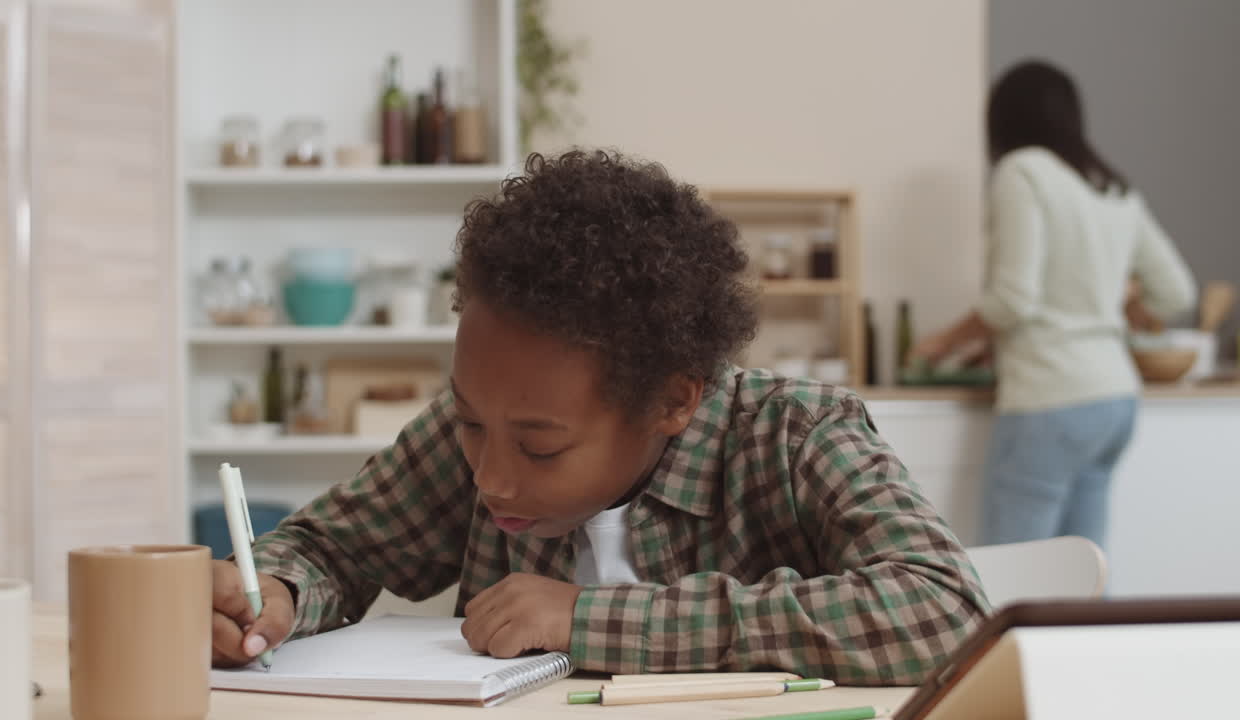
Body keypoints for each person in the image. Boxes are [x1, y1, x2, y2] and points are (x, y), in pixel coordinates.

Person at [211, 150, 988, 684]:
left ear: (673, 402)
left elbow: (944, 611)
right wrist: (275, 590)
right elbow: (329, 548)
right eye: (472, 424)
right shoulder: (481, 428)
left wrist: (592, 619)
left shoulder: (796, 436)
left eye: (541, 449)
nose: (490, 476)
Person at [911, 61, 1197, 549]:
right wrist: (1122, 303)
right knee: (1083, 570)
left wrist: (941, 341)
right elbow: (1176, 292)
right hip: (1114, 397)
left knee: (1013, 572)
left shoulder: (1022, 172)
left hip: (1051, 397)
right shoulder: (1110, 185)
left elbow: (1012, 300)